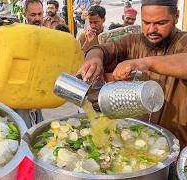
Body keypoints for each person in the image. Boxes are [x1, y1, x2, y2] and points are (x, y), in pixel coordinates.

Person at [78, 0, 187, 147]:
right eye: (146, 22)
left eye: (160, 23)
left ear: (176, 17)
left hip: (178, 148)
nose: (151, 30)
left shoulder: (183, 42)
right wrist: (94, 58)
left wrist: (144, 63)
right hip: (138, 145)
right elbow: (102, 49)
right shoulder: (133, 41)